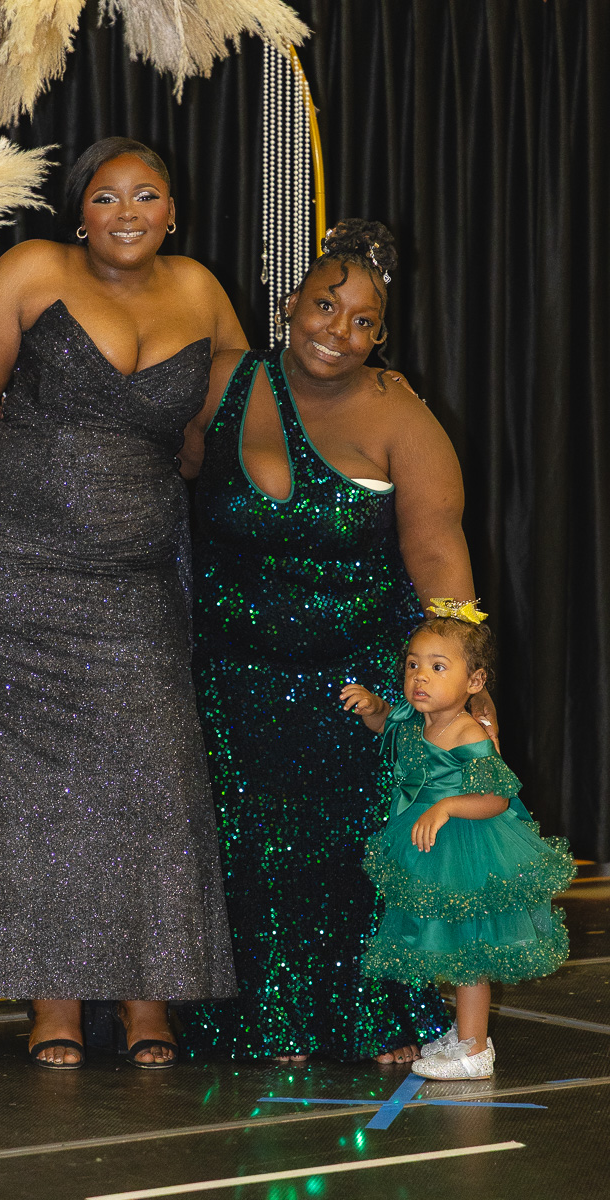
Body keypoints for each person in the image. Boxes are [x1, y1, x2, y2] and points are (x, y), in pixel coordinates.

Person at [0, 137, 248, 1069]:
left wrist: (372, 389)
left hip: (133, 577)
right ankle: (51, 1001)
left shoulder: (202, 291)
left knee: (153, 779)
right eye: (105, 197)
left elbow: (256, 406)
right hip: (7, 563)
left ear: (174, 211)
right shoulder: (31, 270)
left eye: (146, 196)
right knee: (31, 793)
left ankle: (147, 1002)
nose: (126, 212)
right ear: (78, 212)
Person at [177, 219, 497, 1063]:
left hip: (357, 674)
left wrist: (465, 672)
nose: (338, 331)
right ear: (289, 304)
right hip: (235, 673)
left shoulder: (398, 411)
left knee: (360, 853)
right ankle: (267, 1017)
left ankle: (377, 1017)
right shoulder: (222, 385)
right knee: (250, 848)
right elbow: (147, 471)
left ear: (381, 336)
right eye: (326, 306)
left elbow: (437, 546)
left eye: (363, 321)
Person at [341, 607, 574, 1078]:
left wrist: (446, 806)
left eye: (438, 666)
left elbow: (496, 798)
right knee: (446, 944)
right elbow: (387, 726)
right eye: (412, 664)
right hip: (430, 845)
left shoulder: (470, 732)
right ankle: (465, 1033)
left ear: (475, 681)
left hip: (468, 848)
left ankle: (475, 1050)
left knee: (471, 951)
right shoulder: (414, 718)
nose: (420, 677)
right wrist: (373, 707)